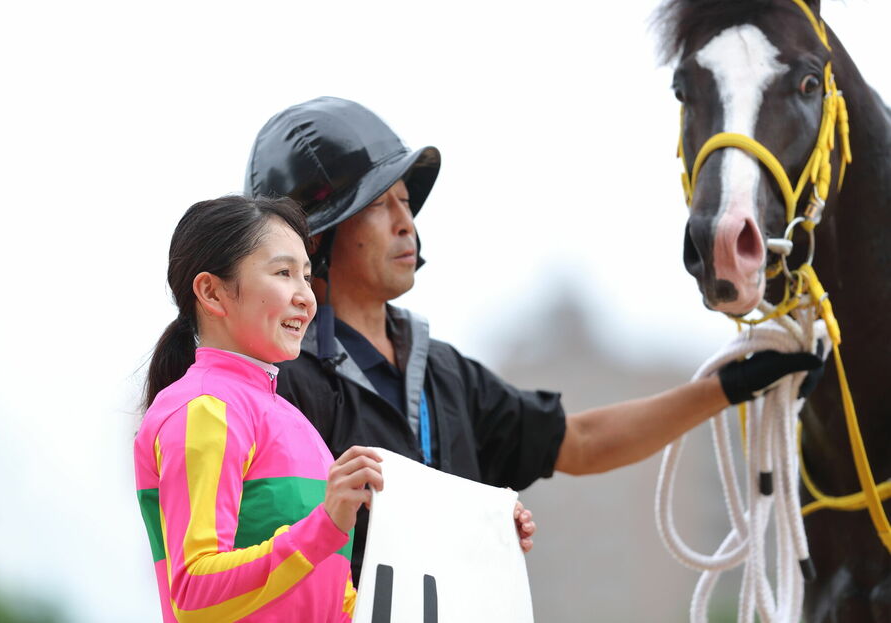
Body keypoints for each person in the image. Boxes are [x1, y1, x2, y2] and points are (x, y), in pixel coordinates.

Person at [243, 96, 823, 581]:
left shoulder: (444, 375)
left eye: (406, 202)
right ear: (315, 238)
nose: (406, 223)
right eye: (378, 205)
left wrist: (727, 387)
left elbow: (583, 442)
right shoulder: (273, 384)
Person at [134, 195, 385, 622]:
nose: (306, 297)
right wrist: (325, 525)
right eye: (284, 273)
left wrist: (483, 544)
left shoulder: (297, 425)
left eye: (306, 276)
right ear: (212, 292)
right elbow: (194, 595)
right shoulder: (204, 408)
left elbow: (337, 608)